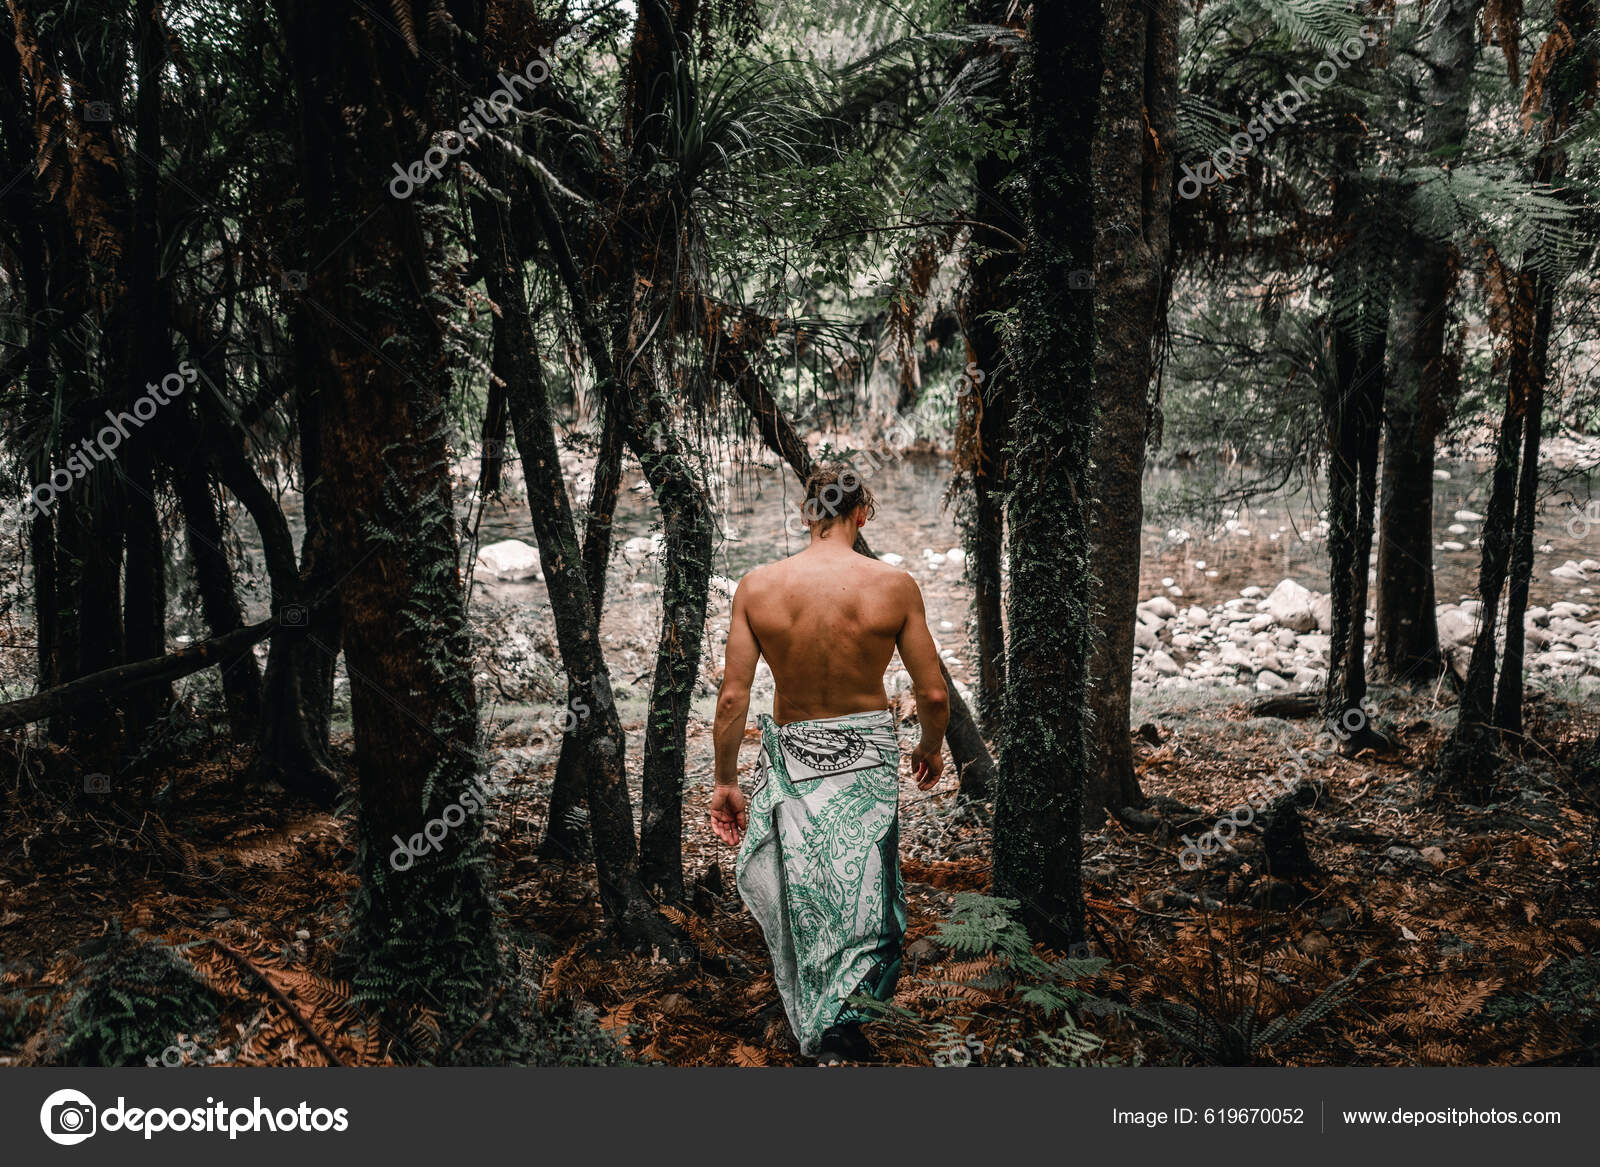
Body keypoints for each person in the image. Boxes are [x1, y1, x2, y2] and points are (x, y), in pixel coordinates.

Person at [709, 464, 950, 1064]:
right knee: (869, 890)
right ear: (862, 513)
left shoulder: (759, 587)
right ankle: (845, 1021)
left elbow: (734, 697)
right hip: (865, 752)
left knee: (810, 886)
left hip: (792, 752)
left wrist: (725, 779)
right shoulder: (894, 586)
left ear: (806, 512)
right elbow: (935, 695)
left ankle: (818, 1015)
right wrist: (930, 746)